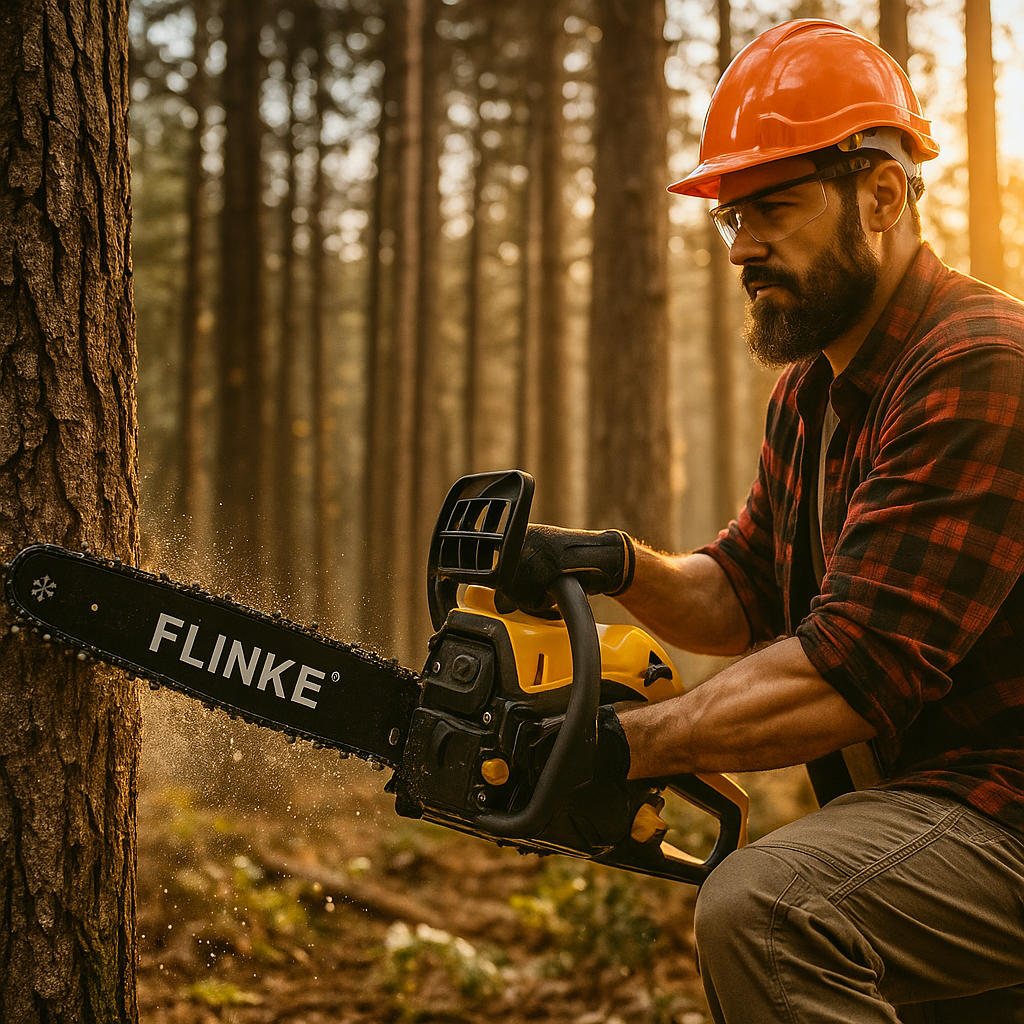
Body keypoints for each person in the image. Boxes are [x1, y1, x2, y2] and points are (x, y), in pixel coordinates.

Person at [505, 19, 1024, 1024]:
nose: (742, 245)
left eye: (772, 208)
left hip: (1000, 809)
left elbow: (852, 669)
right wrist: (608, 563)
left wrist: (615, 743)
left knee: (770, 907)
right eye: (730, 216)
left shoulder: (979, 363)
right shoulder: (813, 392)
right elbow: (741, 595)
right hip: (937, 817)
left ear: (879, 195)